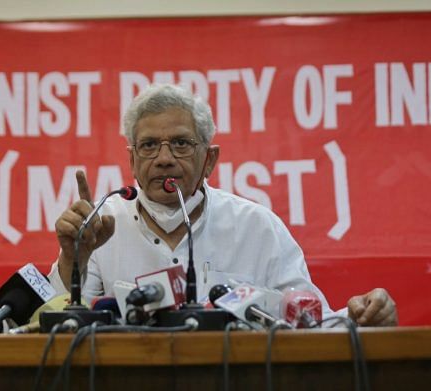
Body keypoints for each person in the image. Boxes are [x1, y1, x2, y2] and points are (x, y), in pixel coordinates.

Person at [48, 84, 397, 327]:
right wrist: (73, 258)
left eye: (181, 144)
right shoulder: (99, 226)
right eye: (150, 145)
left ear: (210, 159)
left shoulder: (257, 227)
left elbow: (306, 320)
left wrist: (362, 318)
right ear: (132, 159)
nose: (165, 159)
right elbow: (51, 325)